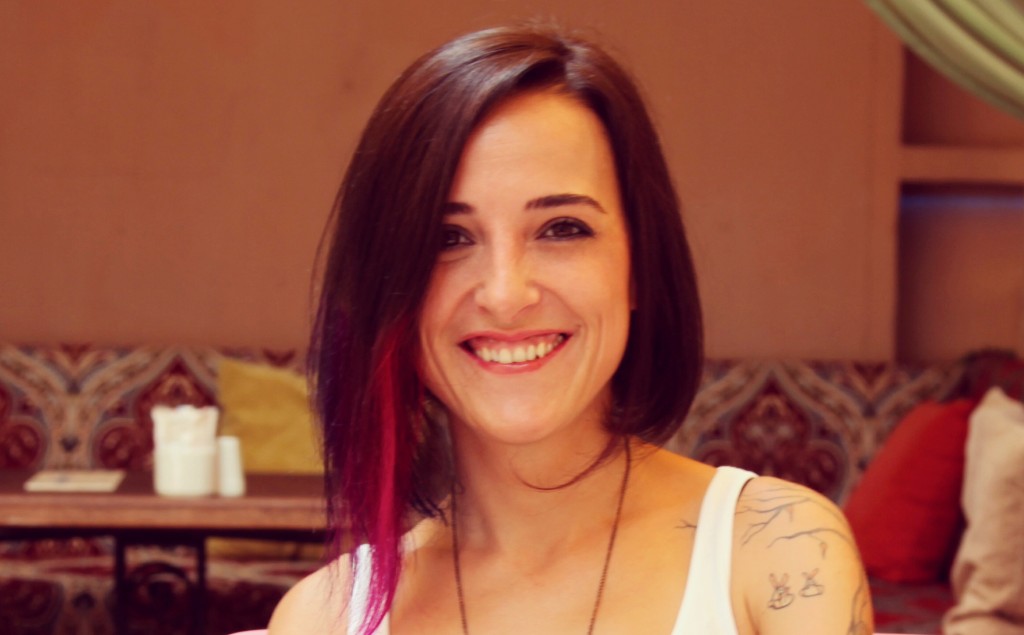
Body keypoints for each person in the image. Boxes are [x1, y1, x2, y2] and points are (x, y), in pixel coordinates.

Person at [269, 24, 873, 635]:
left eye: (562, 229)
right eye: (448, 238)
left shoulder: (778, 551)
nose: (506, 294)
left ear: (640, 266)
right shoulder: (323, 617)